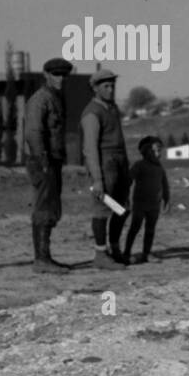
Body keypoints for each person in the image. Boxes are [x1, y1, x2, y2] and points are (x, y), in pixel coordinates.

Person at [23, 57, 74, 273]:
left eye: (63, 75)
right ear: (46, 75)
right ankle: (41, 260)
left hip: (52, 160)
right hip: (42, 160)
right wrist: (42, 158)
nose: (60, 79)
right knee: (44, 207)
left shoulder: (55, 98)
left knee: (52, 207)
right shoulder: (40, 99)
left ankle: (45, 257)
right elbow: (33, 132)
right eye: (56, 74)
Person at [80, 68, 130, 269]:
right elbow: (90, 149)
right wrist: (97, 179)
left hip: (119, 163)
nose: (111, 90)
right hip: (104, 164)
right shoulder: (92, 113)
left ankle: (115, 249)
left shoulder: (113, 109)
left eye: (113, 86)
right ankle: (100, 254)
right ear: (95, 88)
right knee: (102, 210)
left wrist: (126, 168)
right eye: (106, 86)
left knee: (121, 208)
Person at [124, 136, 170, 264]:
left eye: (159, 150)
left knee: (150, 229)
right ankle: (126, 253)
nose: (158, 154)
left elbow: (165, 184)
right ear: (145, 151)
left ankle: (147, 253)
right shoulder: (139, 165)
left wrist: (167, 199)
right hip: (140, 204)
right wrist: (125, 196)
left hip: (154, 205)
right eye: (154, 150)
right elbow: (129, 180)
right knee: (135, 228)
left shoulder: (159, 167)